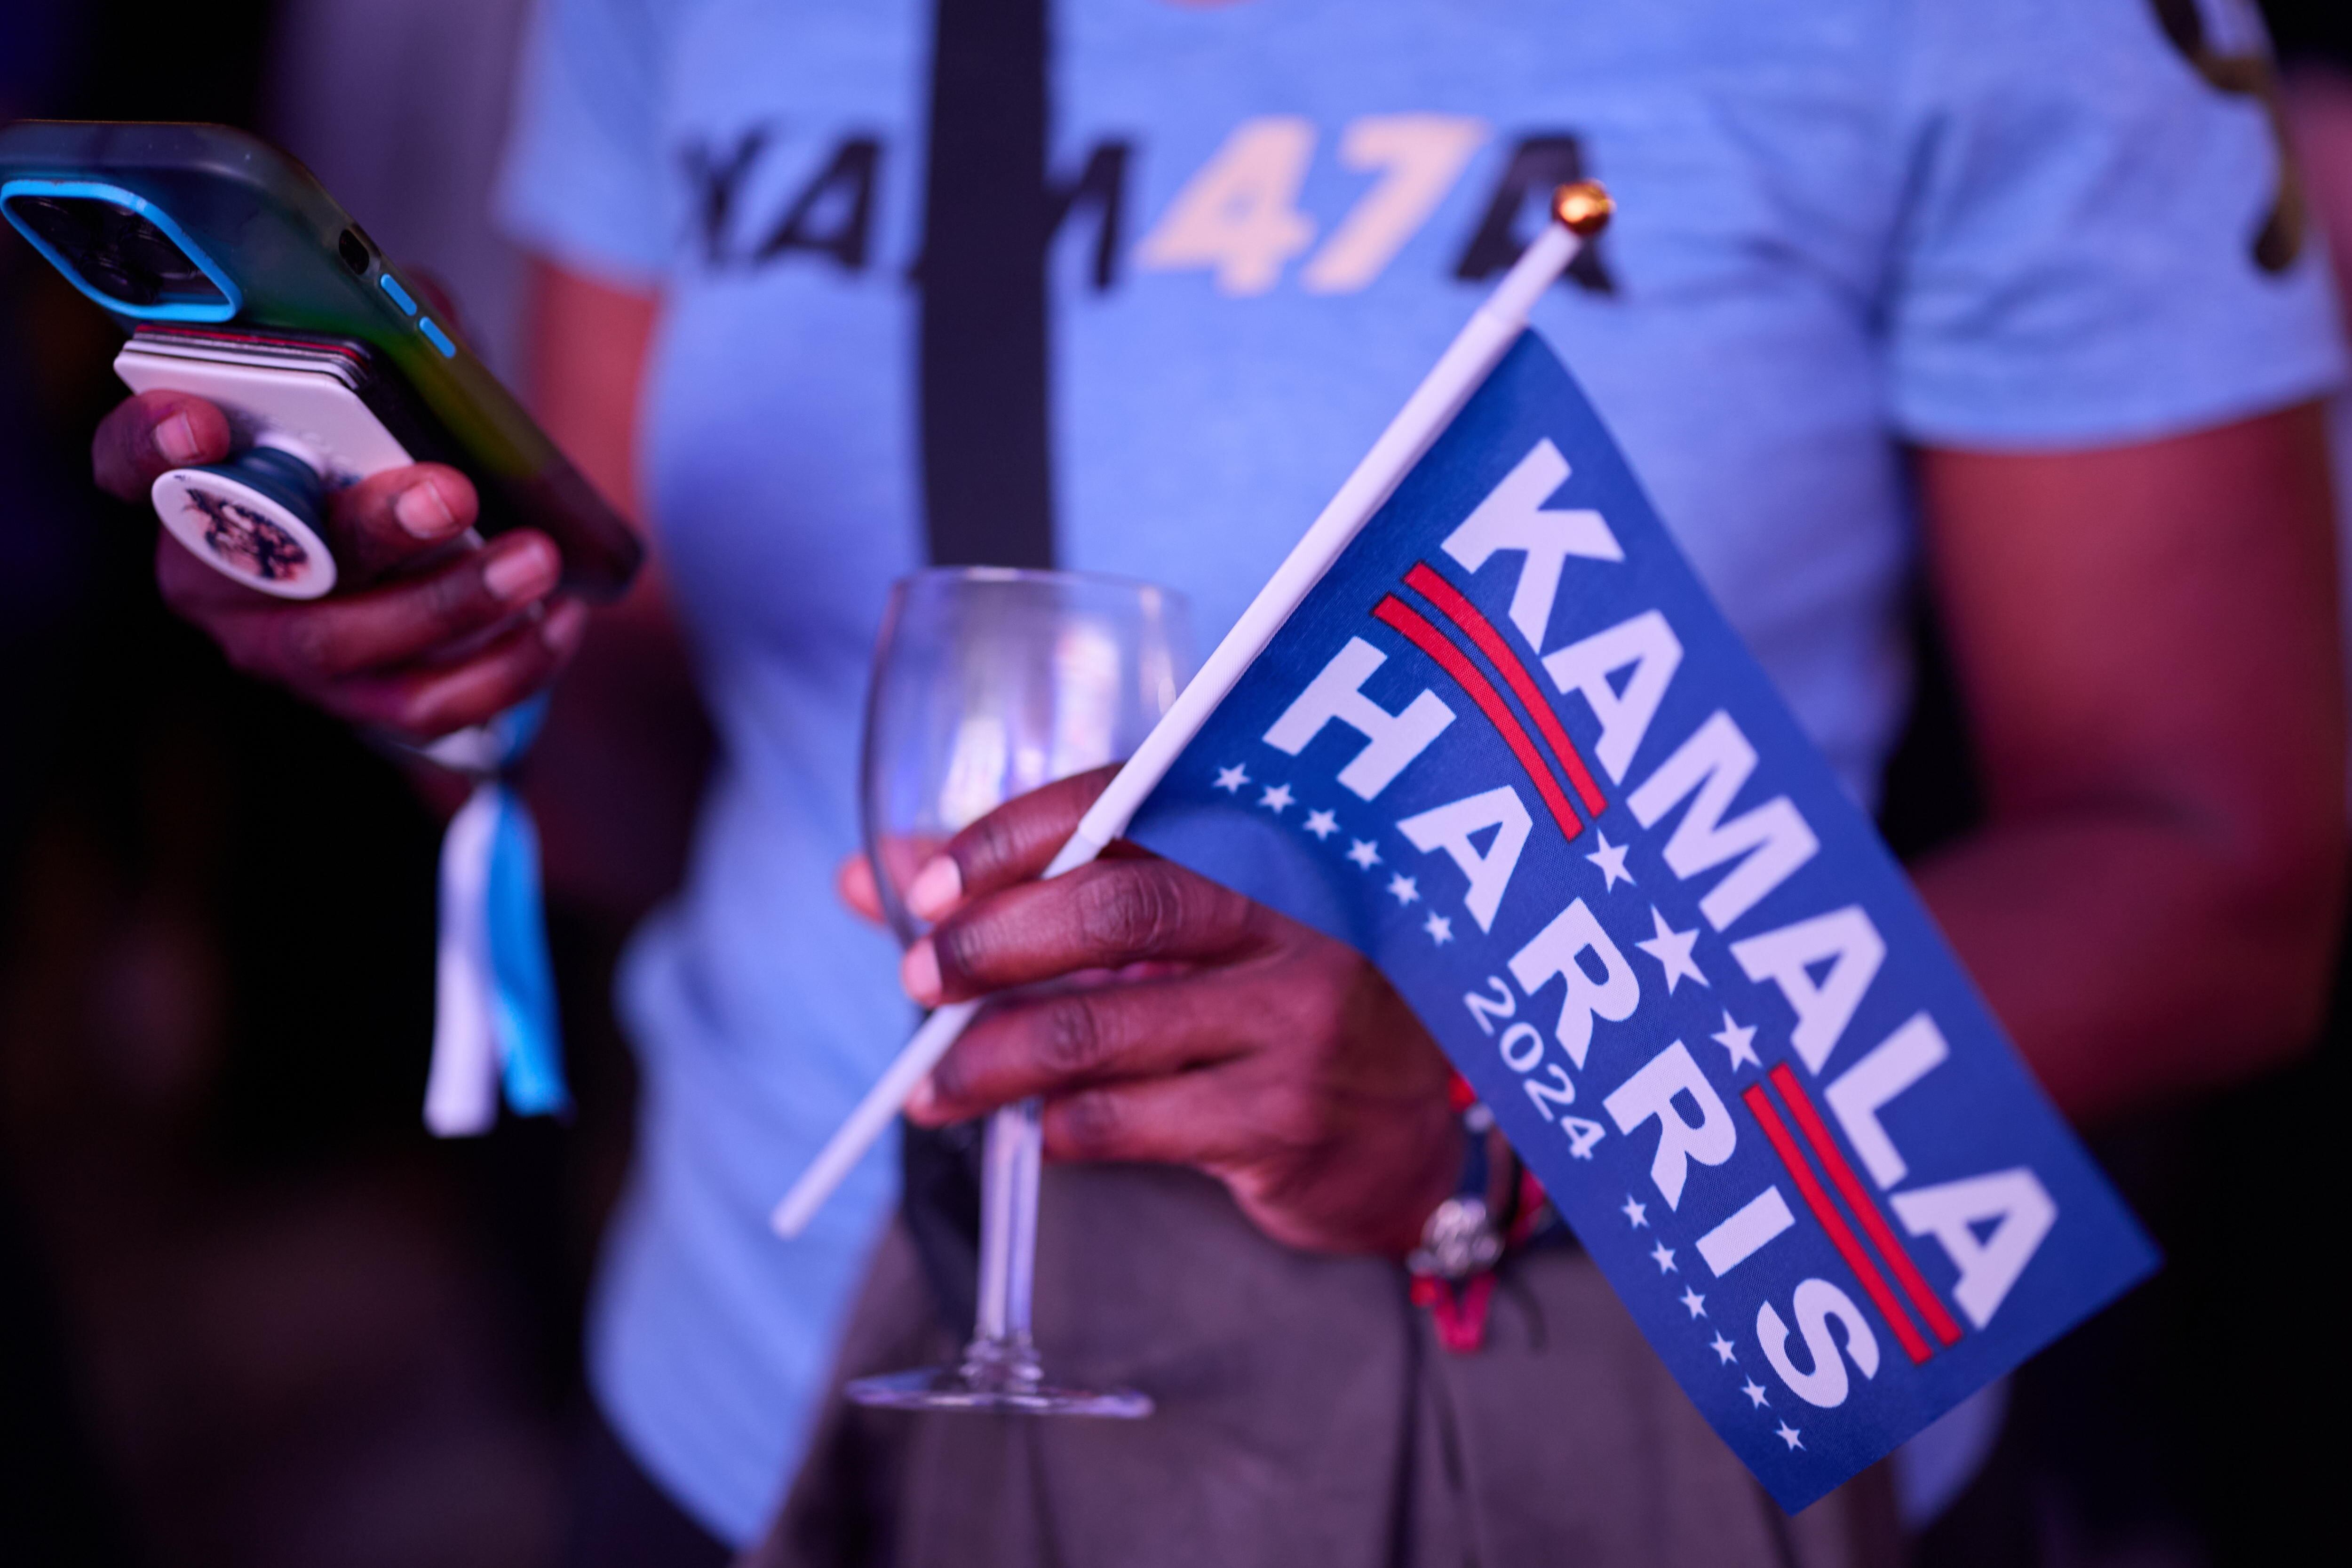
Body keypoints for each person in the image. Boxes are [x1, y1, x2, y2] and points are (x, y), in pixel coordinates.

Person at [84, 0, 2345, 1561]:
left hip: (1588, 1459)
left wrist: (1524, 1101)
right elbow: (663, 769)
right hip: (777, 1413)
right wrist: (446, 674)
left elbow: (2223, 864)